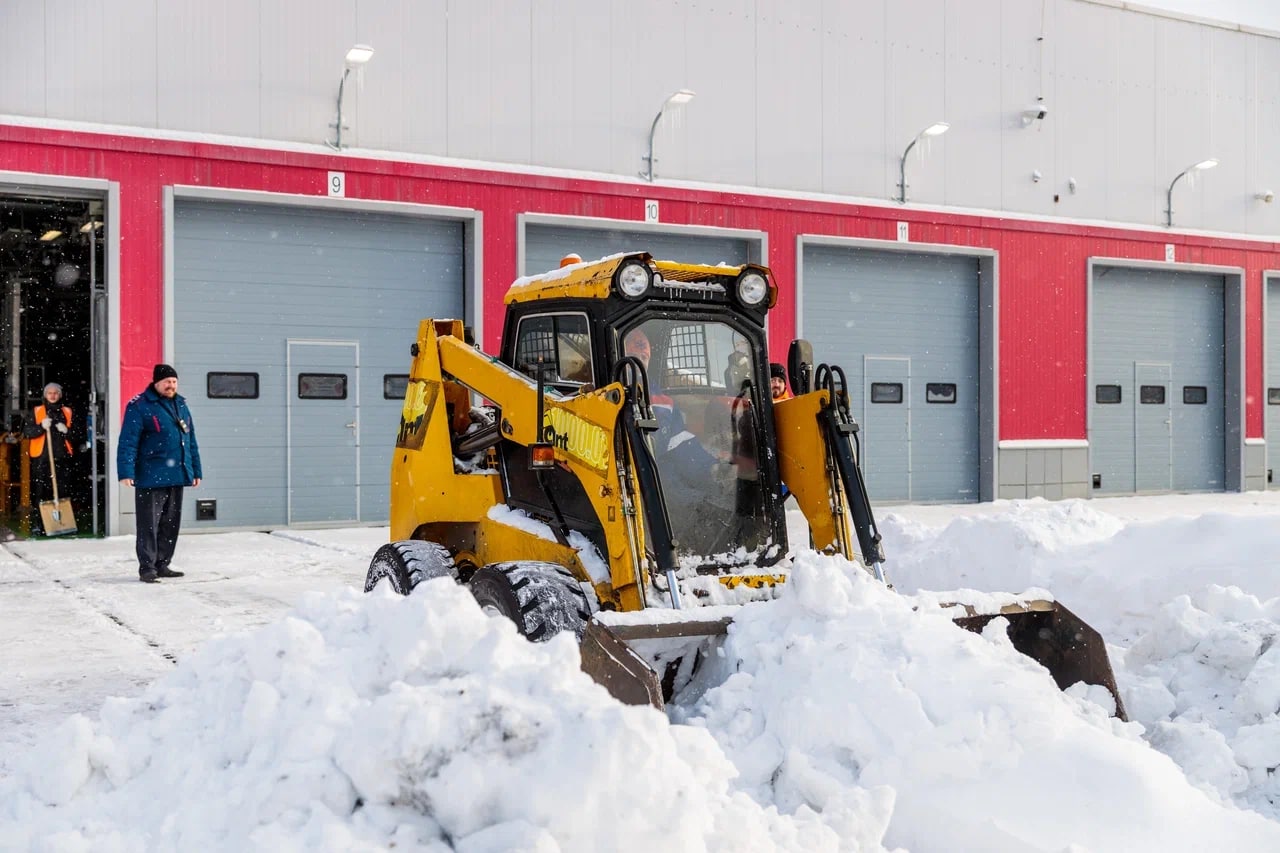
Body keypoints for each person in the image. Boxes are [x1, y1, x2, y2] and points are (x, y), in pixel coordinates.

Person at [117, 364, 203, 583]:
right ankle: (147, 568)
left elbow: (190, 441)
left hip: (178, 473)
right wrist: (126, 471)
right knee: (149, 524)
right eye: (167, 382)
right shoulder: (140, 406)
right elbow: (128, 441)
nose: (171, 385)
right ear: (156, 383)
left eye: (174, 381)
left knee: (170, 523)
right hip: (150, 475)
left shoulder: (181, 405)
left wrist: (196, 471)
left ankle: (163, 564)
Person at [24, 383, 75, 536]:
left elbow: (78, 434)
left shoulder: (67, 412)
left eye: (56, 393)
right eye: (49, 393)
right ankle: (38, 524)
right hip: (42, 458)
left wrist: (66, 431)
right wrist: (40, 427)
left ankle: (62, 523)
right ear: (45, 395)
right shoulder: (37, 411)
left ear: (60, 395)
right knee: (40, 492)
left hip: (61, 458)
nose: (52, 396)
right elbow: (27, 431)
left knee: (62, 491)